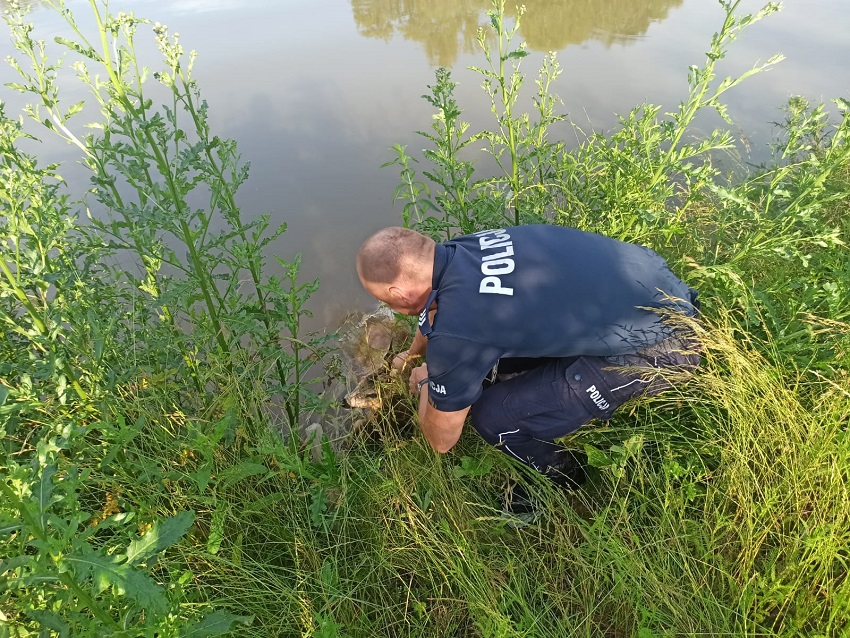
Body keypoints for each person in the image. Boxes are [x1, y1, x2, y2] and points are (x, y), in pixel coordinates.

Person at [355, 224, 700, 501]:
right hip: (663, 290)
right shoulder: (464, 250)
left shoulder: (459, 330)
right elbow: (434, 311)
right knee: (493, 367)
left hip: (665, 348)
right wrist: (413, 354)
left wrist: (429, 384)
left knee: (494, 416)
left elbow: (441, 441)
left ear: (398, 295)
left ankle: (563, 476)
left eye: (386, 300)